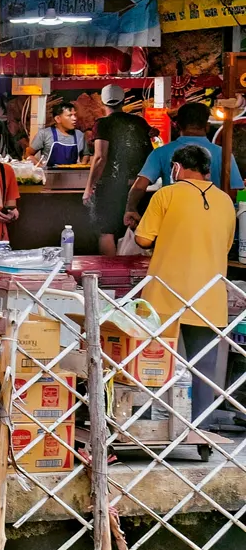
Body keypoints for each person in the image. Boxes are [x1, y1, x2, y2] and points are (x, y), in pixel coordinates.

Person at [132, 144, 237, 431]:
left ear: (176, 168)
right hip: (209, 297)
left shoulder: (166, 194)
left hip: (165, 295)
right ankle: (200, 431)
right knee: (203, 369)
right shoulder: (226, 202)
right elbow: (226, 244)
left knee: (154, 365)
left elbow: (143, 239)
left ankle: (150, 428)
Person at [126, 101, 241, 229]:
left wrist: (131, 209)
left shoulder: (161, 152)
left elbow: (139, 186)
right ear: (207, 126)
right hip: (214, 225)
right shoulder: (223, 154)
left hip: (173, 223)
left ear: (178, 126)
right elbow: (235, 191)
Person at [85, 85, 154, 253]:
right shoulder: (139, 122)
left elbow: (100, 158)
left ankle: (110, 270)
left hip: (111, 187)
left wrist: (88, 188)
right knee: (135, 228)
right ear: (123, 101)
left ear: (102, 102)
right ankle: (135, 269)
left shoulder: (103, 124)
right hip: (137, 187)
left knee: (106, 232)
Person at [31, 99, 87, 168]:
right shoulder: (44, 134)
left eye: (75, 115)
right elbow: (28, 154)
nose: (74, 118)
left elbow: (86, 155)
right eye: (70, 115)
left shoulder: (79, 135)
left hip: (72, 173)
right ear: (58, 119)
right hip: (49, 174)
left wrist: (82, 164)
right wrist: (41, 168)